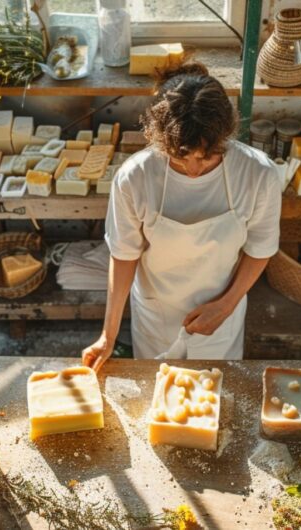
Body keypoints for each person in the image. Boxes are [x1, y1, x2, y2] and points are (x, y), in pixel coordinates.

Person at [81, 62, 282, 370]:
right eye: (179, 157)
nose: (193, 169)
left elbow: (260, 249)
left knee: (216, 397)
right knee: (159, 400)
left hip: (222, 313)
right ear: (159, 140)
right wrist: (108, 336)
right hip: (156, 316)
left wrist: (226, 305)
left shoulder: (258, 174)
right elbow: (123, 255)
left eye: (207, 156)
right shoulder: (135, 177)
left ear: (226, 137)